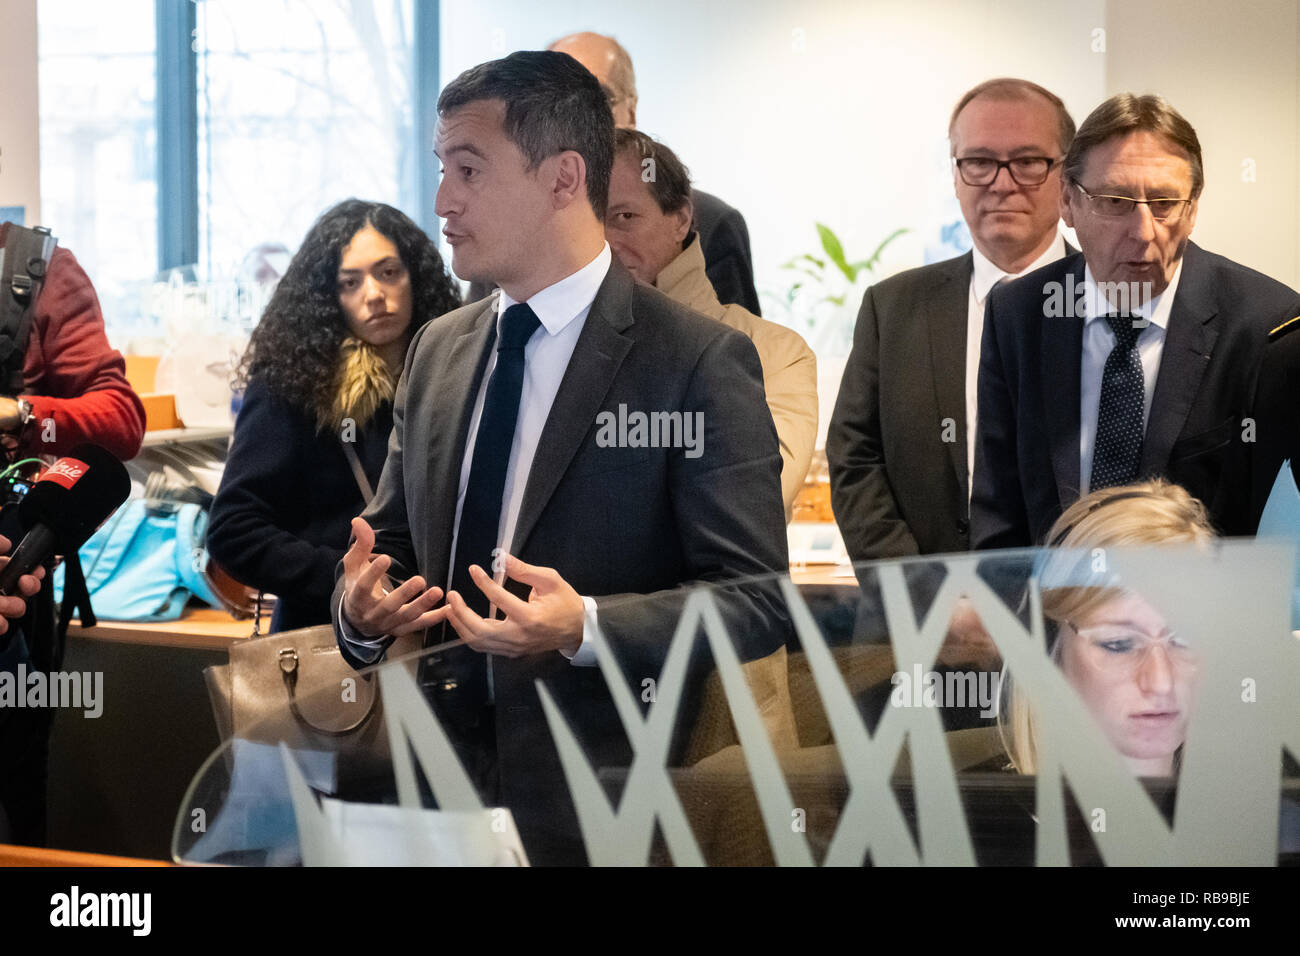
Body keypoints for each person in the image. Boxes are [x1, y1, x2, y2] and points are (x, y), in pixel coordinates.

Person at [331, 51, 789, 865]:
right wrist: (359, 611)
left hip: (603, 799)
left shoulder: (694, 360)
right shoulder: (439, 349)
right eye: (441, 169)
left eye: (468, 170)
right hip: (428, 785)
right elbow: (389, 539)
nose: (442, 202)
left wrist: (587, 626)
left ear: (563, 177)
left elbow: (755, 602)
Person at [972, 93, 1300, 549]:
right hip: (1057, 612)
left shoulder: (1267, 327)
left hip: (1199, 614)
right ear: (1067, 201)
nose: (1144, 231)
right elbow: (999, 515)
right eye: (1116, 201)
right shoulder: (1020, 314)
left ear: (1193, 207)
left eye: (1165, 202)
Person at [828, 78, 1075, 561]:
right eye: (980, 162)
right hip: (924, 618)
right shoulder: (893, 307)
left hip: (1079, 617)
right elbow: (856, 458)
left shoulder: (1113, 302)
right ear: (957, 175)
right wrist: (923, 593)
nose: (1003, 184)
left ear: (1066, 175)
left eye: (1028, 162)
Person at [208, 200, 460, 632]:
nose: (375, 294)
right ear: (328, 297)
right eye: (350, 282)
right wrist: (347, 580)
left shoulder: (457, 375)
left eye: (388, 272)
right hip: (326, 639)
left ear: (415, 277)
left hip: (447, 630)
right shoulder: (293, 385)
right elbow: (233, 531)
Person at [0, 222, 146, 846]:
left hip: (10, 591)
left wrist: (22, 415)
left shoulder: (34, 270)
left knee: (14, 794)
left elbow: (121, 422)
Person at [468, 31, 762, 317]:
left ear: (631, 111)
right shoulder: (508, 220)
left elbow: (739, 352)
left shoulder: (709, 221)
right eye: (557, 105)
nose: (579, 119)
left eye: (600, 100)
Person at [605, 128, 818, 516]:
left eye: (624, 216)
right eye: (588, 223)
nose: (605, 240)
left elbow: (755, 501)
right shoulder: (555, 341)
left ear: (681, 219)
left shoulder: (775, 353)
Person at [999, 479, 1213, 777]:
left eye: (1185, 639)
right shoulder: (979, 816)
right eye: (1120, 644)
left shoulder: (1268, 812)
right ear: (1052, 650)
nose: (1161, 681)